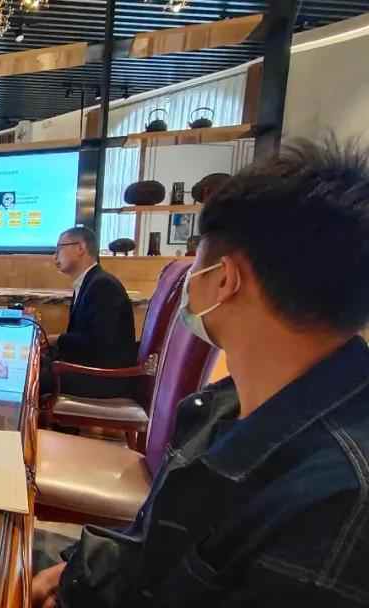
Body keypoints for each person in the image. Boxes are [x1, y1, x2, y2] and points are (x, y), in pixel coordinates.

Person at [31, 136, 369, 607]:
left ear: (224, 279)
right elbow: (154, 547)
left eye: (197, 265)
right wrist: (77, 572)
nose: (190, 283)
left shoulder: (342, 501)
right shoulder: (226, 402)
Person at [43, 225, 137, 397]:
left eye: (59, 249)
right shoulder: (89, 281)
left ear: (80, 248)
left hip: (103, 377)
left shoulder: (103, 285)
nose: (54, 256)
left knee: (30, 378)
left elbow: (99, 344)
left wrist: (57, 339)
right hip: (88, 367)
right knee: (33, 364)